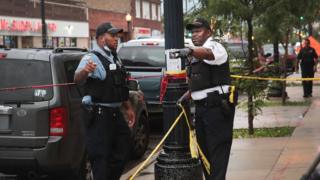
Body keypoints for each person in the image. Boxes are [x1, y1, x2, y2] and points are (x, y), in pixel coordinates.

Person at [175, 17, 236, 180]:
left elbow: (208, 55)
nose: (194, 35)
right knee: (204, 153)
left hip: (217, 108)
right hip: (202, 108)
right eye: (192, 32)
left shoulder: (214, 46)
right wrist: (188, 94)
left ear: (209, 32)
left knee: (217, 153)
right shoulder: (197, 51)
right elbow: (201, 82)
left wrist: (191, 50)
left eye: (198, 30)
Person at [74, 22, 135, 180]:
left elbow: (119, 85)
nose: (117, 39)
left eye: (117, 36)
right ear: (101, 38)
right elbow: (77, 78)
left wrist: (128, 108)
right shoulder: (91, 57)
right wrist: (85, 71)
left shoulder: (114, 56)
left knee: (124, 148)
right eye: (113, 36)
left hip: (115, 113)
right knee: (100, 157)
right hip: (99, 115)